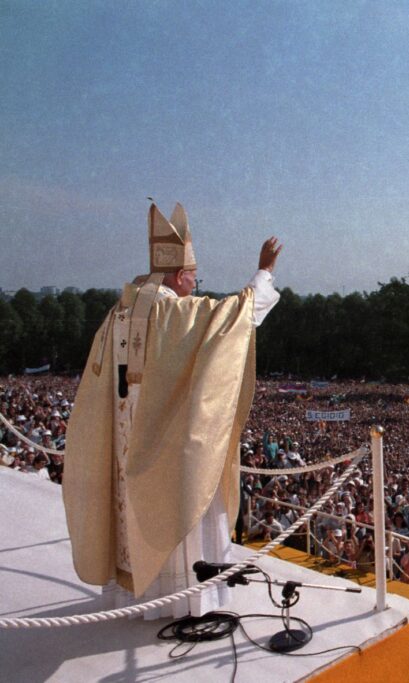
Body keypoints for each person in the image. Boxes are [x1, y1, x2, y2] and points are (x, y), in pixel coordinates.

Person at [63, 202, 281, 619]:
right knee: (188, 505)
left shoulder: (120, 310)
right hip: (169, 444)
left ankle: (142, 599)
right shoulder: (170, 310)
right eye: (194, 280)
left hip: (127, 443)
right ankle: (186, 604)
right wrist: (264, 273)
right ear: (180, 276)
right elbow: (235, 317)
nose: (195, 288)